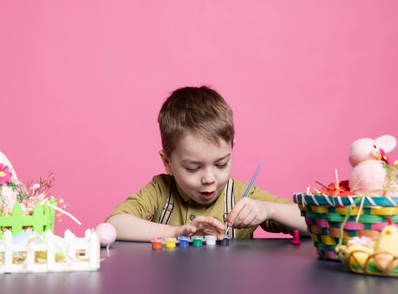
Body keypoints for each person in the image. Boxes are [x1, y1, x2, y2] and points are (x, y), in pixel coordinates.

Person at [106, 86, 308, 241]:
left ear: (231, 150)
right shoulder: (160, 192)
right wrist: (176, 232)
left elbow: (315, 224)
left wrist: (268, 210)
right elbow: (114, 224)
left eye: (221, 164)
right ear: (168, 162)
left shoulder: (242, 195)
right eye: (193, 168)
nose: (210, 179)